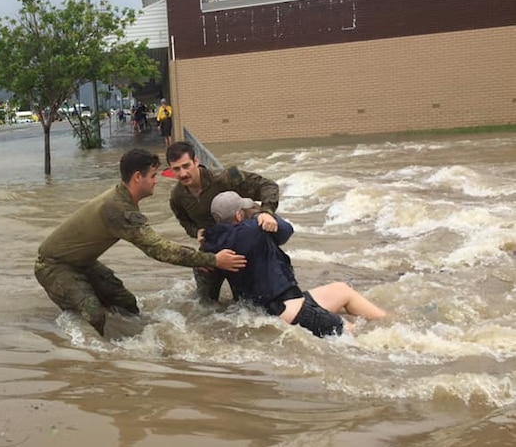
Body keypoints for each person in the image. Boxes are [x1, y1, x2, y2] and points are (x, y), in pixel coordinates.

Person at [34, 149, 247, 336]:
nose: (156, 181)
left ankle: (136, 345)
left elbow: (158, 245)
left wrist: (200, 259)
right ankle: (99, 361)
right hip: (54, 266)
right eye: (153, 176)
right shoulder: (118, 209)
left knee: (125, 302)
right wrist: (212, 260)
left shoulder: (123, 199)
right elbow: (158, 249)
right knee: (94, 313)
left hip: (82, 263)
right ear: (138, 177)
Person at [202, 191, 387, 337]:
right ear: (239, 215)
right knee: (356, 334)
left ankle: (389, 320)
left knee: (342, 290)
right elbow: (286, 231)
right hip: (290, 311)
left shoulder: (209, 248)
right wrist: (264, 214)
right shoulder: (253, 229)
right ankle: (394, 331)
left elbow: (208, 289)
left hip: (271, 310)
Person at [166, 141, 280, 304]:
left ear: (196, 162)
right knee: (204, 308)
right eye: (176, 169)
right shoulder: (176, 196)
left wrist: (267, 212)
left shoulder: (227, 176)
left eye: (186, 166)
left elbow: (268, 185)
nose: (183, 173)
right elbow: (184, 221)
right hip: (211, 254)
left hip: (242, 250)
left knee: (248, 307)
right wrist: (195, 231)